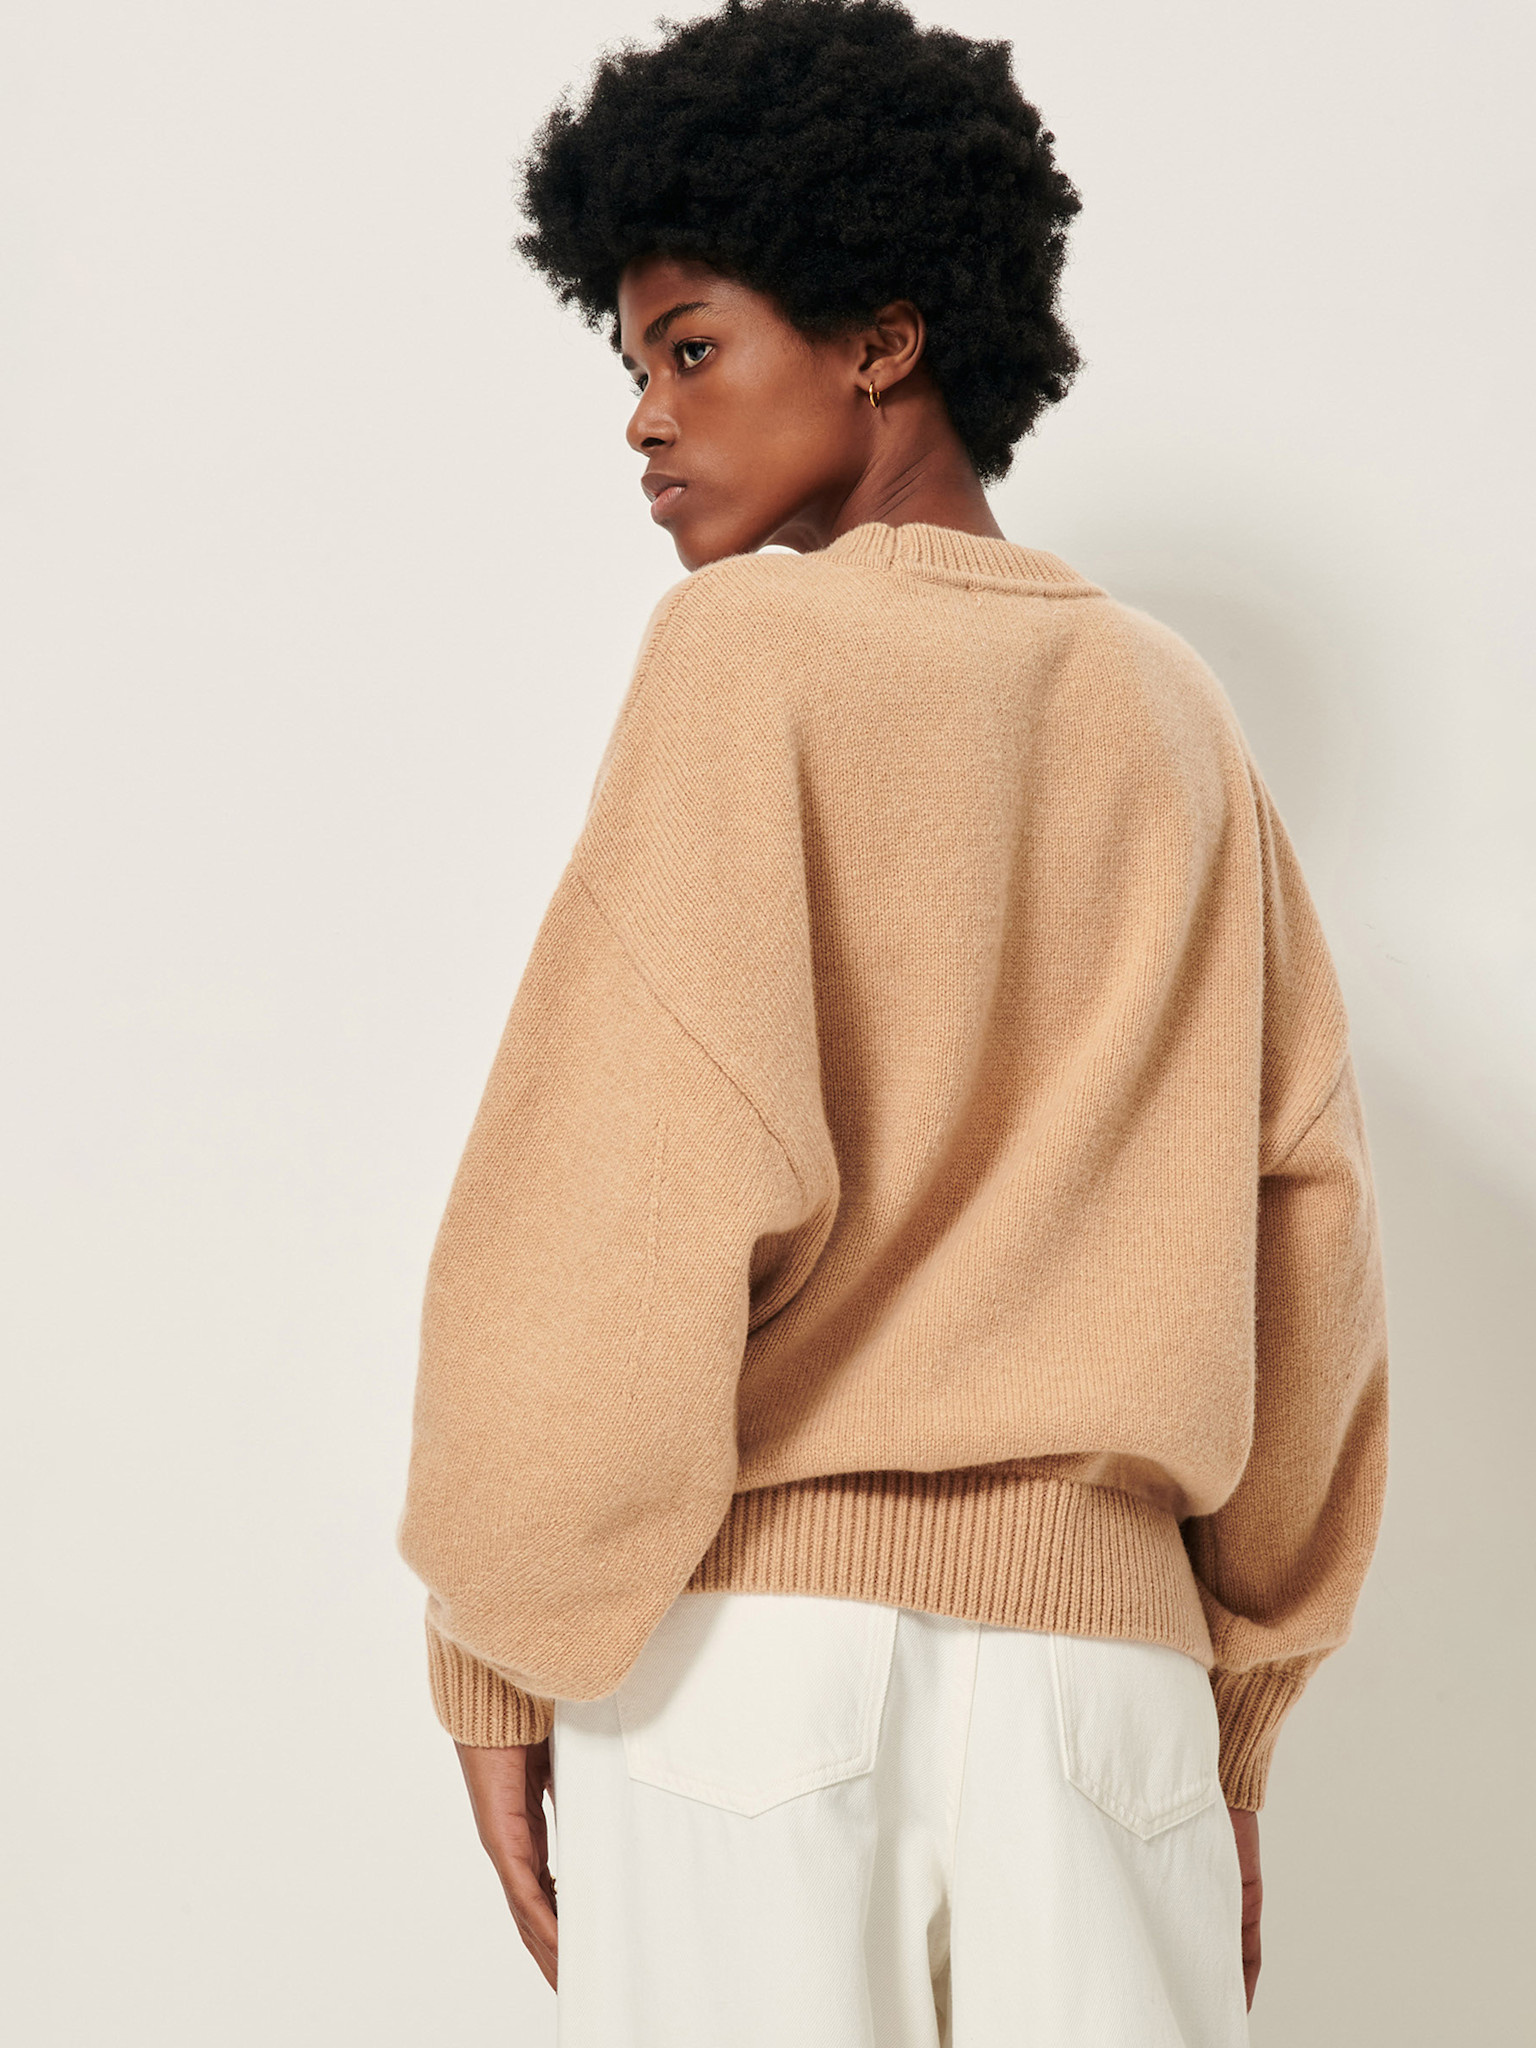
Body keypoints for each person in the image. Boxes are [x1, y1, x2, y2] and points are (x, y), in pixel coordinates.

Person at [397, 1, 1390, 2040]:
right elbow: (1310, 1227)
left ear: (883, 335)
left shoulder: (746, 656)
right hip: (1110, 1689)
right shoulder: (1178, 717)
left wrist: (497, 1642)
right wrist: (1232, 1703)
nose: (645, 420)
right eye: (636, 367)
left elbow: (622, 1187)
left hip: (759, 1678)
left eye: (690, 348)